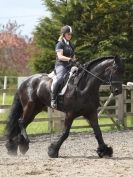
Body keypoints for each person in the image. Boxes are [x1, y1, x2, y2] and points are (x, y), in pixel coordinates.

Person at [51, 25, 75, 108]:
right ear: (64, 34)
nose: (70, 36)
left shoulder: (71, 44)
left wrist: (75, 61)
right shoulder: (60, 44)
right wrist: (69, 59)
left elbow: (73, 57)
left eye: (71, 34)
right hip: (61, 65)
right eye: (68, 34)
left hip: (70, 65)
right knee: (60, 79)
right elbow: (60, 56)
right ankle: (53, 99)